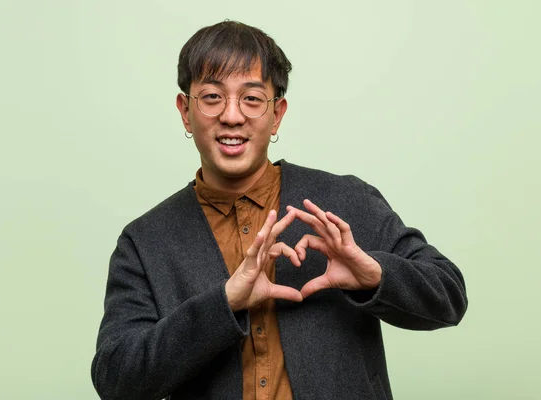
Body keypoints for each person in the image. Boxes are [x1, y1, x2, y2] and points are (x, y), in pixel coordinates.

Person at [91, 20, 467, 400]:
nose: (232, 116)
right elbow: (115, 379)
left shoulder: (344, 201)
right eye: (211, 97)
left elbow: (449, 297)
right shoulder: (145, 241)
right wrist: (224, 303)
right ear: (185, 111)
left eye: (252, 98)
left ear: (278, 114)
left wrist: (374, 274)